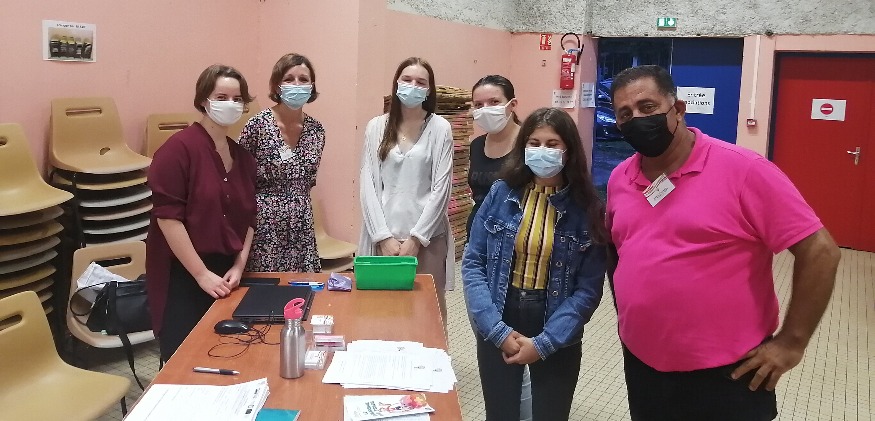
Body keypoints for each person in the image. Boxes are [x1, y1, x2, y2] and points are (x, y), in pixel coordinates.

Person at [605, 65, 841, 420]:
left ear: (678, 109)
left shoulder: (744, 170)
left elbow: (820, 251)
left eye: (647, 107)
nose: (636, 119)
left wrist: (792, 342)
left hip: (729, 371)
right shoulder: (619, 178)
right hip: (643, 364)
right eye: (625, 114)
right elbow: (619, 250)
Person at [462, 107, 608, 420]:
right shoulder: (501, 193)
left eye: (552, 144)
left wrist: (545, 343)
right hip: (502, 310)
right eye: (534, 143)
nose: (542, 150)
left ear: (569, 150)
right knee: (500, 414)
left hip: (555, 318)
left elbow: (588, 289)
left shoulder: (588, 208)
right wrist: (496, 330)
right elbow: (474, 263)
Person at [146, 64, 257, 361]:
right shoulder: (177, 150)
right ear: (204, 100)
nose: (230, 104)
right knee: (183, 360)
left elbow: (250, 218)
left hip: (227, 272)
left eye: (237, 99)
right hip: (183, 272)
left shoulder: (243, 157)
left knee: (228, 355)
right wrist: (201, 274)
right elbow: (168, 218)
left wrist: (239, 264)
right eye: (222, 97)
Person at [358, 57, 454, 322]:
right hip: (383, 238)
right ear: (396, 83)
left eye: (421, 82)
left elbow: (441, 188)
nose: (413, 86)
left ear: (429, 90)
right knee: (382, 314)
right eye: (407, 80)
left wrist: (417, 238)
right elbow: (369, 184)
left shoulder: (440, 128)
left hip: (427, 239)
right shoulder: (376, 126)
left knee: (427, 315)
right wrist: (382, 237)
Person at [239, 53, 325, 273]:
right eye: (289, 79)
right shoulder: (257, 126)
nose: (297, 84)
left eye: (303, 79)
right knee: (266, 290)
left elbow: (309, 181)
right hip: (264, 227)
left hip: (301, 226)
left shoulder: (317, 131)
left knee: (303, 288)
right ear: (277, 85)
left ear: (312, 86)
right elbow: (240, 180)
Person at [467, 75, 520, 238]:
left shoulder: (529, 144)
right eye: (478, 105)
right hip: (477, 236)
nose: (485, 109)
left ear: (512, 105)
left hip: (512, 239)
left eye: (494, 102)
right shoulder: (476, 145)